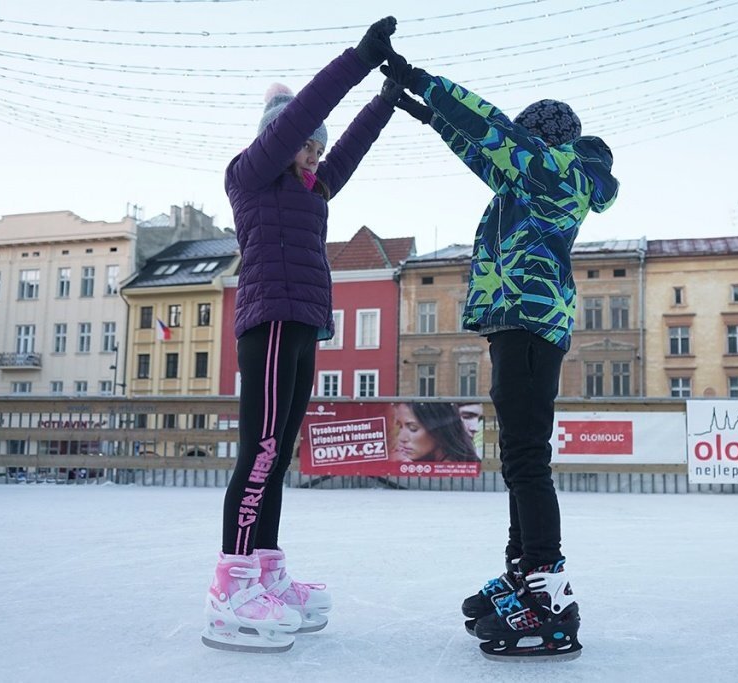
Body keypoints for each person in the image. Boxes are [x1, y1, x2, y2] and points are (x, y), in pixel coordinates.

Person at [384, 65, 619, 661]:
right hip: (519, 324)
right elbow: (482, 149)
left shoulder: (555, 171)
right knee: (518, 457)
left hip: (531, 323)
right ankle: (524, 573)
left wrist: (427, 84)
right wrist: (430, 115)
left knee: (526, 458)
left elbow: (491, 131)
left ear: (546, 138)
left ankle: (550, 592)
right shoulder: (533, 178)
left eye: (527, 136)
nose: (519, 144)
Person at [202, 17, 408, 654]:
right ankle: (230, 583)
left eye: (318, 149)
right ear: (278, 139)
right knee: (259, 452)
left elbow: (345, 149)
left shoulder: (312, 189)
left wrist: (387, 101)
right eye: (306, 145)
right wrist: (359, 61)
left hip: (303, 326)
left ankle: (264, 570)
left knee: (279, 454)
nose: (315, 154)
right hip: (265, 324)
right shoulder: (251, 173)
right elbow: (302, 118)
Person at [391, 402, 479, 463]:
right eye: (399, 427)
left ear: (438, 430)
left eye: (413, 428)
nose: (402, 438)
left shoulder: (455, 471)